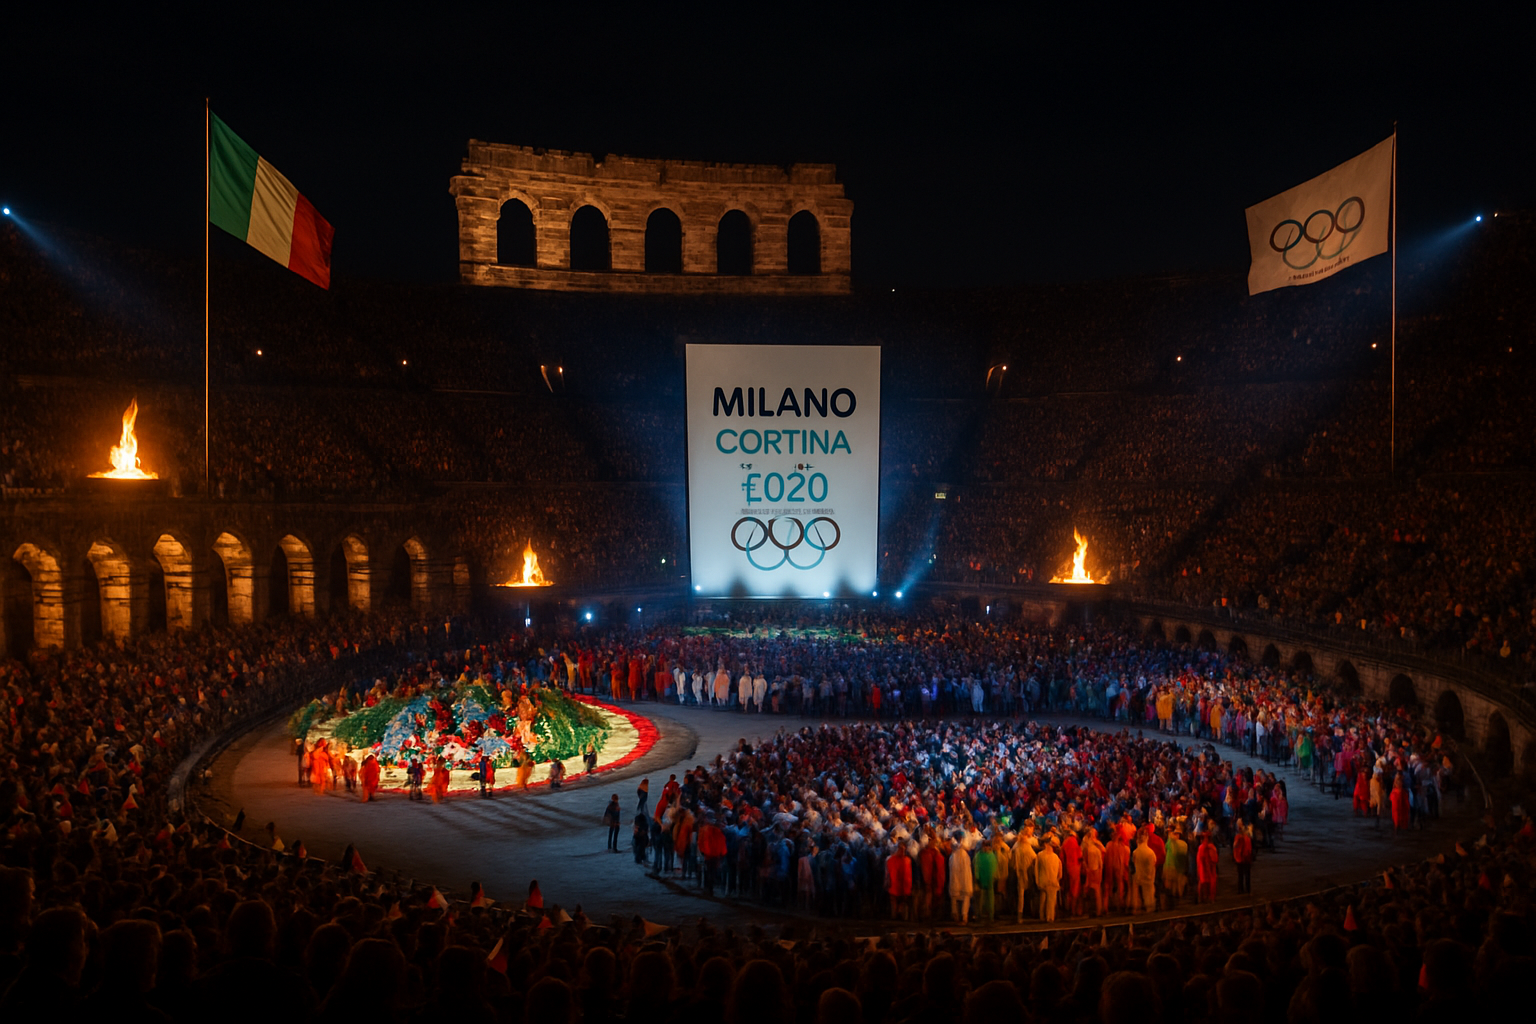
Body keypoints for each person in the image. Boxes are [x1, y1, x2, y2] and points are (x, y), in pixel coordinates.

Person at [1035, 835, 1062, 922]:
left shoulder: (1039, 855)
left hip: (1043, 881)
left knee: (1042, 901)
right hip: (1053, 882)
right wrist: (1057, 880)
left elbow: (1036, 870)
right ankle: (1050, 918)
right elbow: (1060, 873)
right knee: (1051, 902)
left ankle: (1042, 917)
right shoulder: (1056, 857)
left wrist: (1037, 881)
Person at [947, 835, 973, 923]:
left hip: (958, 880)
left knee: (955, 896)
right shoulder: (964, 856)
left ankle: (957, 914)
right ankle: (962, 915)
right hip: (963, 880)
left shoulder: (953, 856)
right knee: (964, 896)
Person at [1131, 834, 1157, 914]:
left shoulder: (1135, 852)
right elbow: (1153, 863)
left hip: (1139, 874)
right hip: (1148, 875)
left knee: (1139, 891)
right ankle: (1150, 907)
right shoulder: (1150, 852)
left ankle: (1137, 907)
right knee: (1148, 892)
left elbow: (1134, 862)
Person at [885, 846, 913, 920]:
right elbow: (887, 873)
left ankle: (898, 917)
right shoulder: (892, 860)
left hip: (902, 886)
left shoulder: (906, 860)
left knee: (901, 902)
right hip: (895, 885)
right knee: (895, 902)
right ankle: (895, 917)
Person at [1163, 829, 1188, 906]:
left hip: (1169, 866)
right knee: (1176, 886)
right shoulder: (1184, 844)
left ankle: (1169, 902)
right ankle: (1176, 901)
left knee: (1168, 884)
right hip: (1179, 867)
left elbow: (1165, 849)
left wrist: (1169, 836)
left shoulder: (1170, 843)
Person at [1197, 831, 1220, 903]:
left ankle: (1203, 898)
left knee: (1203, 883)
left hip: (1204, 868)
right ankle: (1210, 898)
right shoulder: (1211, 847)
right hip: (1208, 869)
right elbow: (1215, 859)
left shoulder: (1202, 847)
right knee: (1210, 883)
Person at [1233, 823, 1254, 894]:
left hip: (1241, 859)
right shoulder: (1247, 838)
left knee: (1241, 876)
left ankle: (1241, 889)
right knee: (1246, 875)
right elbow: (1249, 849)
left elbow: (1235, 846)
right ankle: (1247, 889)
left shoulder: (1238, 837)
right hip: (1245, 859)